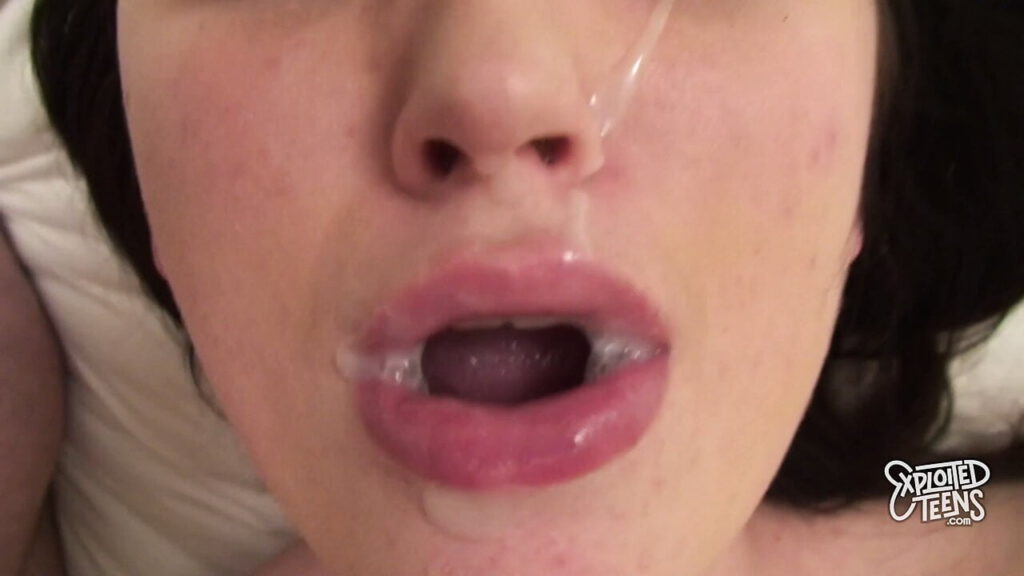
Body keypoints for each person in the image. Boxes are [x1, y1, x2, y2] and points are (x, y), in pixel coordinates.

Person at [2, 0, 1022, 574]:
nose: (496, 89)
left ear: (872, 148)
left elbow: (929, 494)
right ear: (152, 185)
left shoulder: (935, 496)